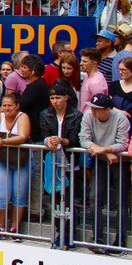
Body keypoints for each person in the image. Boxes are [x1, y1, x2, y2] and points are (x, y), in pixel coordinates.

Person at [79, 93, 131, 250]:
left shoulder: (120, 118)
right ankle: (97, 237)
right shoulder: (88, 116)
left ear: (107, 110)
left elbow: (123, 143)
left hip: (120, 161)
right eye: (92, 108)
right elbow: (83, 139)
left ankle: (120, 241)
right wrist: (105, 151)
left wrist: (104, 149)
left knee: (120, 200)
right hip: (101, 160)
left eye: (97, 109)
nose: (93, 111)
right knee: (94, 198)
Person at [41, 88, 82, 249]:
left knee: (70, 201)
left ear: (66, 98)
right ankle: (59, 233)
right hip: (54, 164)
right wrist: (48, 140)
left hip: (70, 163)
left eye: (58, 97)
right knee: (56, 200)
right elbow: (44, 133)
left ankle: (70, 235)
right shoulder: (46, 114)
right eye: (52, 98)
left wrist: (64, 141)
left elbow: (75, 139)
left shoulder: (76, 115)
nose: (55, 101)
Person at [0, 93, 31, 240]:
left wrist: (3, 141)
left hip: (21, 161)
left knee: (19, 195)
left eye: (10, 105)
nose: (7, 108)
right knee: (1, 194)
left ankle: (15, 228)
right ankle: (0, 227)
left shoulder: (23, 116)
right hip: (3, 159)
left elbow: (23, 136)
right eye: (4, 105)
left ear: (17, 106)